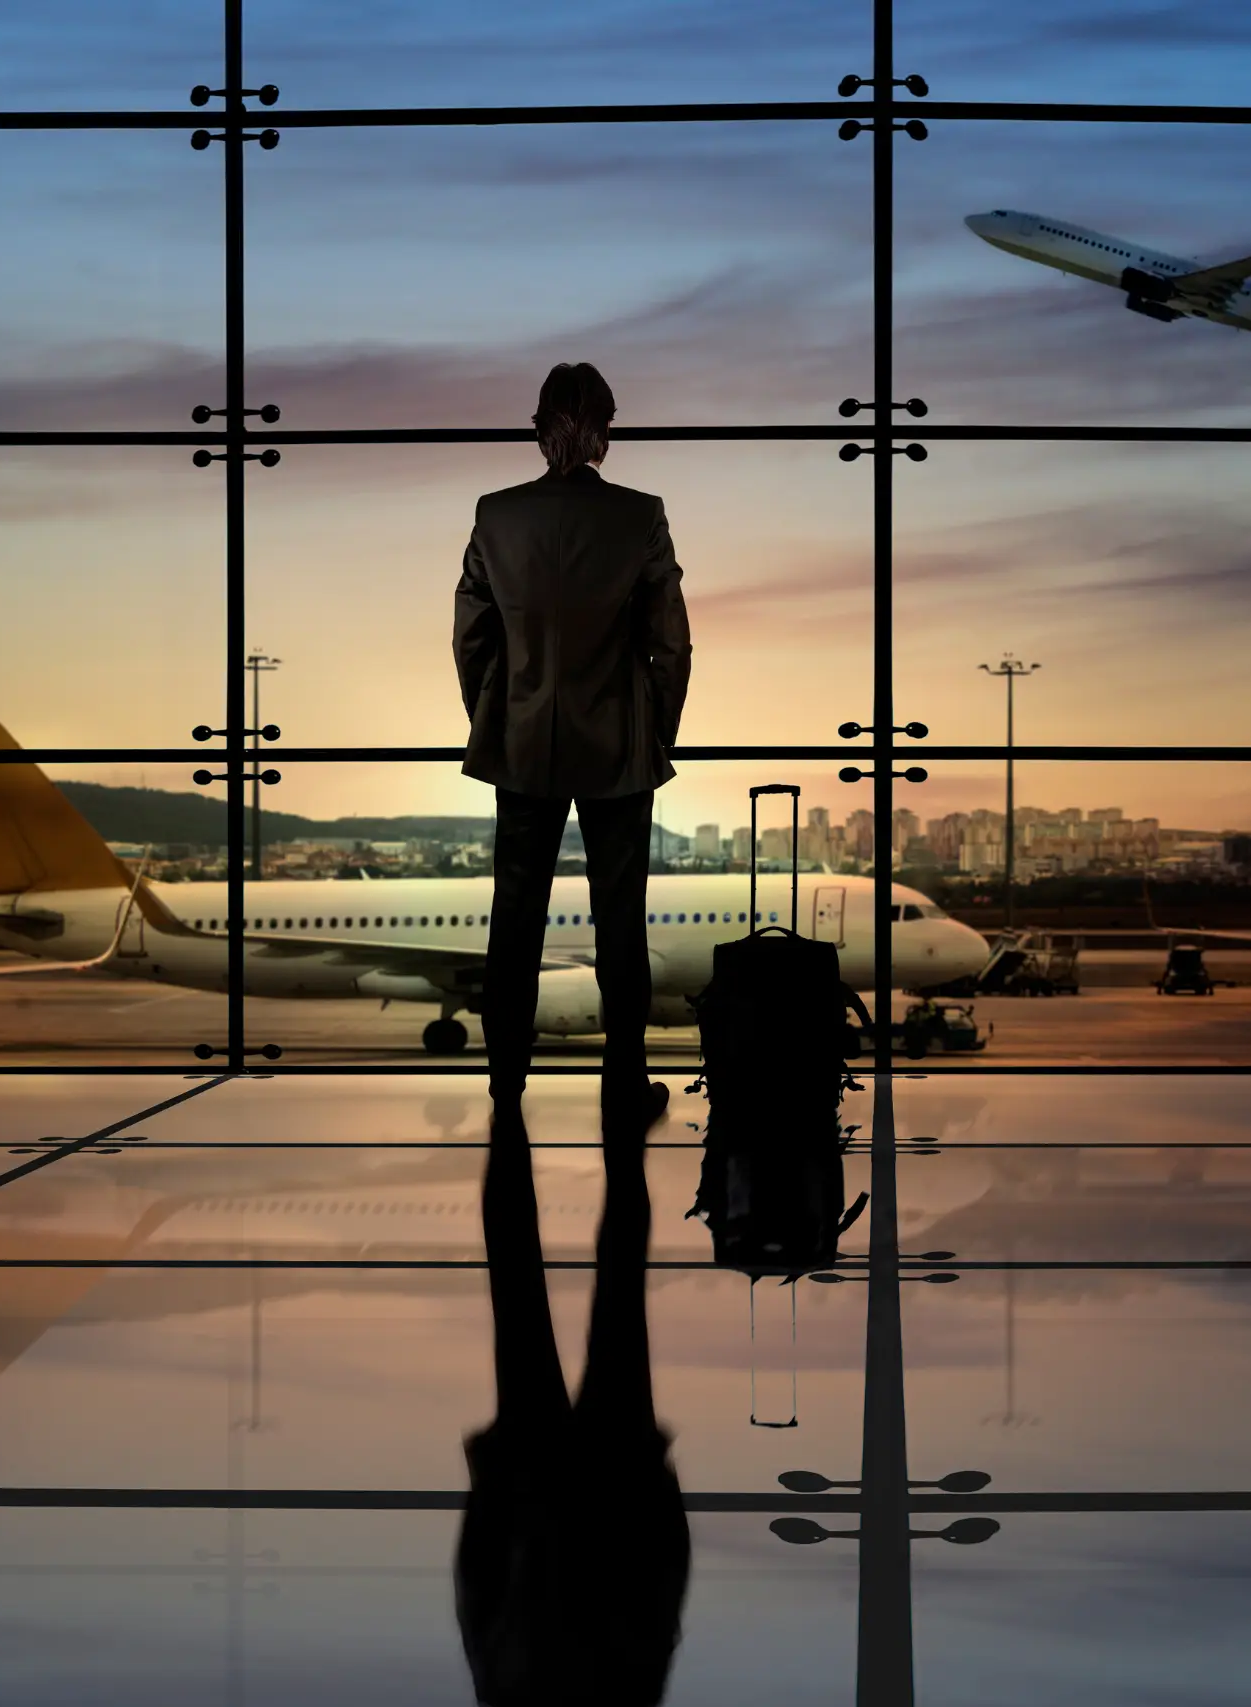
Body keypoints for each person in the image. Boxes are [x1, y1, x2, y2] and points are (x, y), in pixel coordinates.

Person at [456, 362, 692, 1125]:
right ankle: (624, 1088)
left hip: (522, 744)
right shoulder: (641, 515)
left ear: (540, 425)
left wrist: (499, 718)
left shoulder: (496, 514)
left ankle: (505, 1090)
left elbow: (472, 638)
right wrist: (654, 734)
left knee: (514, 922)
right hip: (618, 750)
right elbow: (671, 645)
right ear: (605, 429)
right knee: (622, 925)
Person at [455, 1100, 690, 1705]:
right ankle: (508, 1110)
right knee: (517, 1285)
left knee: (618, 1286)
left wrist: (660, 1486)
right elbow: (477, 1589)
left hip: (616, 1478)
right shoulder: (505, 1693)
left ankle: (621, 1146)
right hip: (530, 1484)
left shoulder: (628, 1695)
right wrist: (488, 1487)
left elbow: (663, 1589)